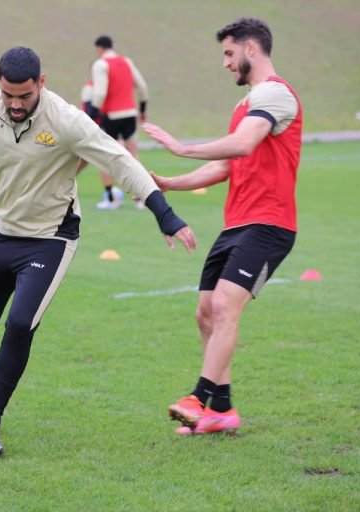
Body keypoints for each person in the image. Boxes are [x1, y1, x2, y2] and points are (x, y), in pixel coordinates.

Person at [0, 47, 197, 456]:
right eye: (8, 95)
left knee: (19, 323)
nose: (15, 105)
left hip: (51, 237)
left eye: (24, 96)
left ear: (42, 83)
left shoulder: (66, 120)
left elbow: (120, 161)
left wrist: (164, 214)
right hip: (2, 231)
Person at [142, 17, 302, 435]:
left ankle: (198, 399)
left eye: (229, 54)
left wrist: (182, 149)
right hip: (237, 225)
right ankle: (224, 411)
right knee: (205, 313)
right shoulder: (245, 106)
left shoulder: (276, 94)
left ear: (251, 49)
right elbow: (227, 165)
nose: (226, 63)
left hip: (270, 225)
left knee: (224, 306)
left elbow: (244, 144)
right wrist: (171, 182)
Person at [89, 35, 149, 210]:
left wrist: (92, 115)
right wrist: (143, 109)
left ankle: (110, 198)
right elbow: (142, 87)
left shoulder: (100, 64)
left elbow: (100, 93)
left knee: (106, 157)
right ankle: (142, 198)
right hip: (130, 113)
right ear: (113, 46)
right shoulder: (127, 61)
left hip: (111, 115)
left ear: (99, 48)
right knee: (134, 156)